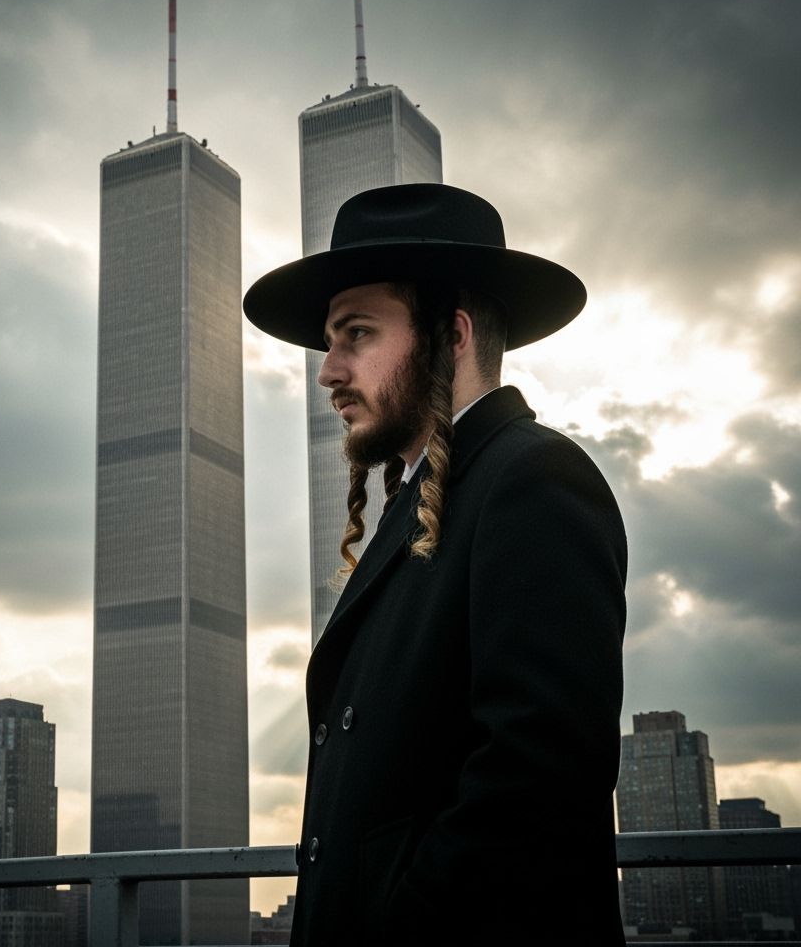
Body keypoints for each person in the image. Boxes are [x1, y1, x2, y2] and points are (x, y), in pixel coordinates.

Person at [243, 184, 627, 945]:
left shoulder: (533, 479)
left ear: (451, 336)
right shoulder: (425, 498)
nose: (328, 371)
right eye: (329, 341)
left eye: (356, 334)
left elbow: (535, 786)